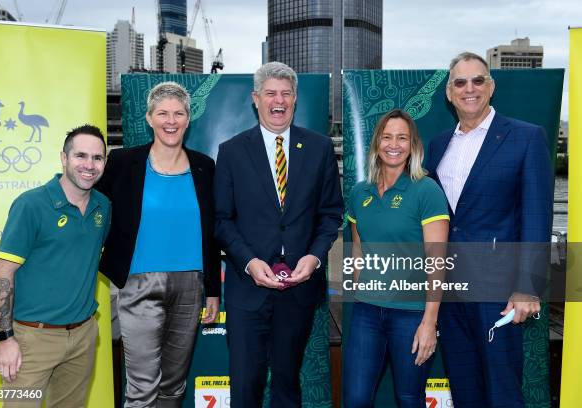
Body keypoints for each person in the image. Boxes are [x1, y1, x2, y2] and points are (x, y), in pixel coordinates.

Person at [425, 52, 553, 407]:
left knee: (503, 390)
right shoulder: (438, 145)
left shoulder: (526, 138)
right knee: (464, 389)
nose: (470, 89)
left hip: (498, 292)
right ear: (449, 93)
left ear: (491, 87)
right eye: (460, 83)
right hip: (451, 291)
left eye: (478, 80)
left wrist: (527, 288)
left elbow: (537, 218)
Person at [214, 61, 343, 407]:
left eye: (286, 93)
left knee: (288, 383)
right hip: (247, 288)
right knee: (246, 385)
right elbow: (222, 220)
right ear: (256, 98)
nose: (279, 100)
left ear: (295, 99)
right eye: (270, 93)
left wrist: (314, 257)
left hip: (298, 290)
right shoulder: (231, 151)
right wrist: (250, 261)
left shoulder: (318, 148)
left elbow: (331, 214)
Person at [95, 81, 220, 408]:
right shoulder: (123, 162)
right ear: (149, 118)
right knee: (142, 388)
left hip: (191, 287)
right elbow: (94, 208)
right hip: (138, 285)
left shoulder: (205, 166)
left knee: (174, 387)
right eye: (162, 113)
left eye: (178, 113)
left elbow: (211, 231)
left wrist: (212, 290)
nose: (171, 120)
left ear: (188, 119)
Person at [0, 124, 110, 407]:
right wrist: (4, 339)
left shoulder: (103, 206)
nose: (89, 165)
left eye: (98, 158)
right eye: (81, 155)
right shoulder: (31, 205)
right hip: (32, 340)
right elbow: (3, 272)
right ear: (64, 158)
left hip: (82, 336)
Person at [342, 109, 449, 407]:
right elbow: (358, 249)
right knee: (355, 399)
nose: (394, 144)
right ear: (377, 143)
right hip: (366, 313)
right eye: (387, 137)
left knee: (408, 398)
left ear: (413, 145)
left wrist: (430, 322)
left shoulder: (427, 191)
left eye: (402, 138)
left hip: (412, 314)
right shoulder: (358, 192)